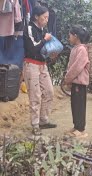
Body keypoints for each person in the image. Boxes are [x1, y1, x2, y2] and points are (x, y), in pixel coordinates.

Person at [23, 6, 57, 136]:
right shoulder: (29, 28)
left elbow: (44, 49)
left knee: (49, 92)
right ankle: (35, 124)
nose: (46, 20)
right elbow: (32, 49)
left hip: (42, 64)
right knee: (35, 96)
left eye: (47, 17)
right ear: (36, 16)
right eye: (45, 17)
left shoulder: (44, 30)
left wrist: (52, 53)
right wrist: (45, 40)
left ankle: (43, 120)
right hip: (31, 64)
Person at [64, 25, 90, 138]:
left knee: (79, 106)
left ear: (76, 36)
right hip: (75, 82)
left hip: (80, 83)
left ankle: (81, 129)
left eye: (70, 36)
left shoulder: (82, 49)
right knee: (74, 105)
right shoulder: (76, 48)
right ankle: (76, 126)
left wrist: (67, 78)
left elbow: (77, 67)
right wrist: (69, 78)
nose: (69, 38)